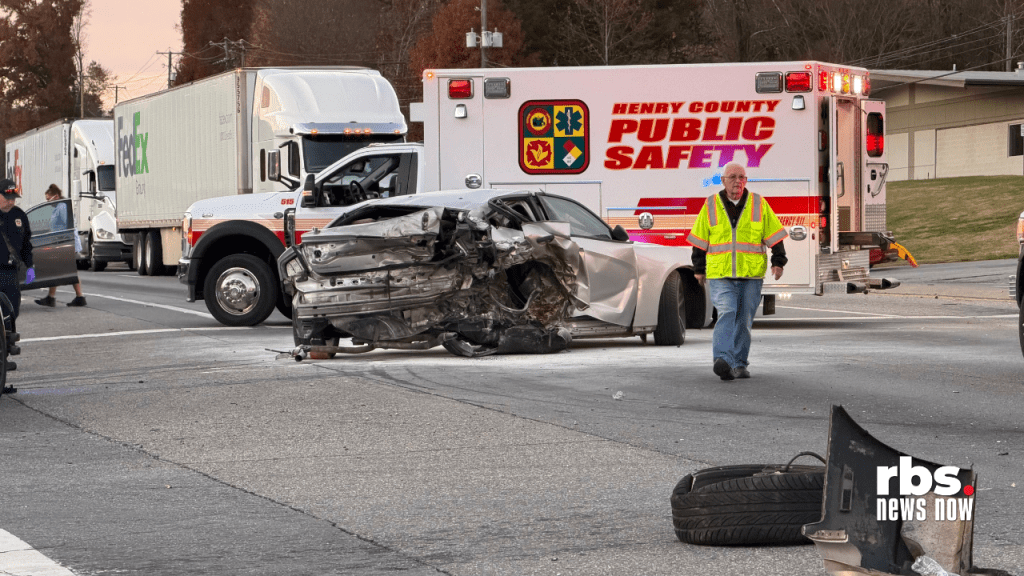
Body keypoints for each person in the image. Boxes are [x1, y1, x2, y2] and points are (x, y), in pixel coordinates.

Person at [688, 163, 788, 381]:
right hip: (720, 274)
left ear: (746, 180)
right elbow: (699, 239)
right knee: (727, 312)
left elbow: (774, 235)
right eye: (732, 177)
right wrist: (699, 268)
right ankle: (722, 359)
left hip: (751, 275)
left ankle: (739, 363)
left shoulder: (758, 203)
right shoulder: (711, 204)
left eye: (742, 177)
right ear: (723, 180)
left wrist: (778, 262)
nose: (738, 181)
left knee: (744, 320)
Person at [0, 178, 34, 373]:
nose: (11, 202)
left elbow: (27, 245)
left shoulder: (19, 215)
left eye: (13, 198)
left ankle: (3, 354)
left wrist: (30, 266)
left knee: (12, 313)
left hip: (11, 273)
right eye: (6, 197)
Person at [34, 184, 86, 307]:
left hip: (65, 243)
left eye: (48, 199)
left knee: (62, 270)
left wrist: (64, 244)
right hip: (63, 243)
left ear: (55, 196)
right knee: (62, 271)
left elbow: (67, 225)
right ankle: (72, 297)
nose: (48, 202)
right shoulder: (58, 207)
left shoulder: (62, 207)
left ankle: (75, 297)